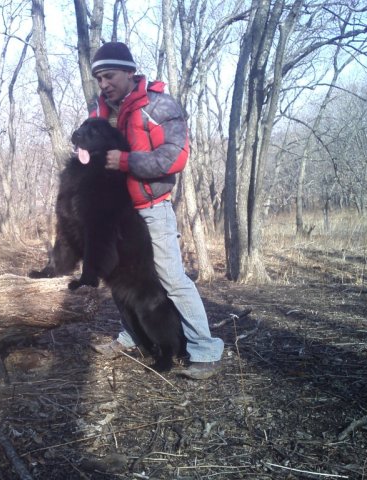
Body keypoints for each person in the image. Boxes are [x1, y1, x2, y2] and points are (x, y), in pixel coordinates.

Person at [88, 42, 224, 380]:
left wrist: (127, 161)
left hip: (151, 210)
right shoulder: (99, 112)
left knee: (170, 279)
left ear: (130, 72)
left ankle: (205, 350)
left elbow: (173, 158)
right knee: (121, 283)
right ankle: (132, 338)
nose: (104, 84)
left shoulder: (159, 106)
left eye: (109, 75)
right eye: (99, 79)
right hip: (114, 216)